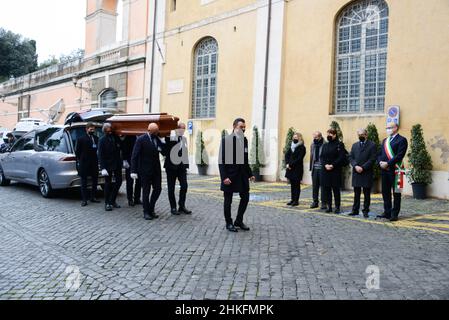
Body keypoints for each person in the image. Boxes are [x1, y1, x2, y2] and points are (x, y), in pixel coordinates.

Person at [219, 118, 255, 232]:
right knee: (228, 201)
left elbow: (245, 159)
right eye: (241, 127)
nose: (243, 129)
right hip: (230, 175)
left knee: (245, 197)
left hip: (242, 175)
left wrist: (250, 174)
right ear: (234, 126)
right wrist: (224, 177)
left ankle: (238, 220)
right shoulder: (226, 140)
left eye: (244, 127)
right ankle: (229, 223)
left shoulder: (244, 140)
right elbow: (221, 160)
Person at [131, 123, 166, 220]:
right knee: (146, 192)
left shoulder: (157, 139)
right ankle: (146, 212)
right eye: (155, 131)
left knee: (158, 189)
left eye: (157, 131)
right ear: (149, 130)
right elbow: (135, 155)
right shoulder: (141, 139)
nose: (156, 133)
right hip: (144, 170)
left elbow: (164, 152)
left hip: (156, 170)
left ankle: (151, 207)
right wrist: (133, 170)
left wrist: (163, 144)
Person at [377, 122, 408, 222]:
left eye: (390, 127)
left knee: (396, 193)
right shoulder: (385, 141)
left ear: (396, 128)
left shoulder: (402, 140)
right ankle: (387, 212)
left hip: (396, 170)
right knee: (385, 192)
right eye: (387, 127)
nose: (388, 129)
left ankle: (394, 214)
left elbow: (400, 155)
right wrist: (380, 162)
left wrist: (388, 163)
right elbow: (380, 154)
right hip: (384, 170)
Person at [348, 128, 377, 218]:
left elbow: (372, 159)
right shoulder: (354, 145)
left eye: (362, 134)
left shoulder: (372, 145)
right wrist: (355, 165)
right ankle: (355, 210)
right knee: (356, 193)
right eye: (359, 135)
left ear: (366, 135)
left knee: (366, 193)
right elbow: (351, 157)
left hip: (366, 172)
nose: (360, 136)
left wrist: (363, 167)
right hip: (356, 171)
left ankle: (365, 210)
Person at [164, 123, 192, 215]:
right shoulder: (171, 138)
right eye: (181, 129)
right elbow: (166, 149)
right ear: (177, 129)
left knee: (184, 186)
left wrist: (186, 166)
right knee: (171, 188)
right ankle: (173, 207)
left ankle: (181, 206)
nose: (183, 131)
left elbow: (185, 153)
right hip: (171, 167)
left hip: (181, 168)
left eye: (184, 129)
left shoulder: (184, 139)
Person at [320, 128, 347, 214]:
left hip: (335, 170)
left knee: (336, 190)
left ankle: (337, 207)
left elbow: (341, 157)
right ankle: (329, 206)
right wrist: (325, 165)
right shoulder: (325, 145)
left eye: (331, 134)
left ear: (335, 135)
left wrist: (333, 165)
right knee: (327, 189)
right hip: (326, 170)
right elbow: (322, 157)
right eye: (328, 134)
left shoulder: (340, 144)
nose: (329, 136)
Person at [98, 123, 123, 212]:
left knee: (119, 182)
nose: (110, 130)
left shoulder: (115, 137)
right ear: (105, 130)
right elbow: (100, 155)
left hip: (117, 164)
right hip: (107, 165)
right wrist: (103, 168)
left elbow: (121, 145)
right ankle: (107, 203)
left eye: (111, 129)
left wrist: (121, 135)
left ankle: (112, 200)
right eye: (108, 129)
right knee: (107, 184)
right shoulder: (102, 140)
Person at [75, 123, 101, 207]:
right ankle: (84, 199)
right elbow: (77, 152)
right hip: (84, 163)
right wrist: (81, 160)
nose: (92, 131)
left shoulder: (96, 138)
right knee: (84, 182)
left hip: (94, 163)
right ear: (86, 129)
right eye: (91, 129)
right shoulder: (81, 139)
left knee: (95, 181)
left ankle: (93, 197)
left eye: (93, 129)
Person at [285, 132, 306, 206]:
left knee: (296, 185)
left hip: (297, 169)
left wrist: (290, 164)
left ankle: (296, 200)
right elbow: (287, 155)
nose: (294, 138)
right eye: (294, 137)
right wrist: (287, 164)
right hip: (290, 168)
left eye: (296, 137)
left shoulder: (302, 147)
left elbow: (299, 158)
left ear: (299, 138)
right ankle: (292, 199)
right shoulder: (291, 146)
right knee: (292, 185)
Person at [120, 135, 142, 207]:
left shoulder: (141, 136)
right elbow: (124, 148)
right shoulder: (129, 137)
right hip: (130, 162)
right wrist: (124, 160)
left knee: (139, 181)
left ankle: (137, 198)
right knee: (130, 182)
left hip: (139, 162)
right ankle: (130, 199)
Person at [309, 131, 327, 209]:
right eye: (314, 137)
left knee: (323, 186)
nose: (314, 139)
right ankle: (315, 201)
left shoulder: (325, 144)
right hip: (315, 168)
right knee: (315, 186)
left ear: (320, 137)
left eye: (316, 137)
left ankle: (323, 202)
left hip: (323, 168)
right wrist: (310, 167)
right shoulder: (313, 145)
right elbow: (311, 156)